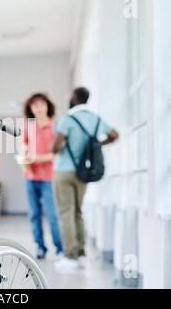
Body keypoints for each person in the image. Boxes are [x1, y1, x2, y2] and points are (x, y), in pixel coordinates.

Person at [51, 87, 119, 270]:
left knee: (66, 212)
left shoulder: (67, 119)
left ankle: (69, 256)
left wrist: (62, 144)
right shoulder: (96, 119)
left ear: (74, 98)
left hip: (64, 171)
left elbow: (55, 148)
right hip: (84, 172)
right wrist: (97, 144)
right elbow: (115, 135)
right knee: (78, 212)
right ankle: (81, 253)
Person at [16, 93, 63, 260]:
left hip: (49, 178)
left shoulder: (55, 126)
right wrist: (24, 156)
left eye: (42, 105)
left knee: (52, 215)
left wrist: (36, 158)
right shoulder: (28, 126)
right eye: (35, 105)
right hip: (30, 177)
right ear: (30, 109)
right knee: (34, 214)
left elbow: (57, 155)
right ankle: (40, 247)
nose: (39, 108)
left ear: (47, 106)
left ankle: (60, 249)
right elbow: (23, 146)